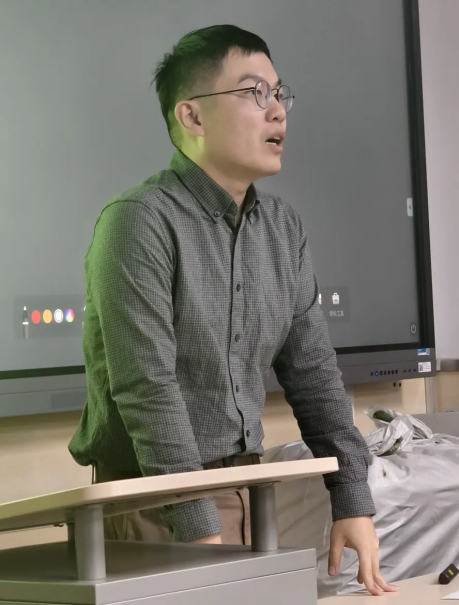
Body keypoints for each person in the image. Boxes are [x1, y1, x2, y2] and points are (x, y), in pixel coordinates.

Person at [69, 24, 398, 597]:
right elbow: (147, 388)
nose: (278, 111)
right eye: (254, 93)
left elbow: (314, 374)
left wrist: (352, 498)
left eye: (280, 93)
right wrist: (199, 526)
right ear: (192, 116)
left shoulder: (283, 228)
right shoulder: (139, 221)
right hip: (152, 503)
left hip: (253, 492)